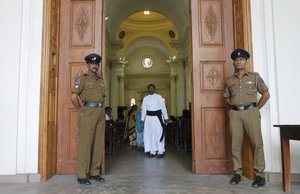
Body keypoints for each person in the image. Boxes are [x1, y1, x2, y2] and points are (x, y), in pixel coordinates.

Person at [224, 48, 270, 187]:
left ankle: (260, 175)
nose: (239, 62)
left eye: (241, 60)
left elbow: (266, 94)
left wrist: (256, 109)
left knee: (257, 143)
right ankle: (237, 173)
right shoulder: (229, 80)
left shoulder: (255, 77)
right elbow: (226, 97)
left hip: (251, 112)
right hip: (235, 114)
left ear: (245, 61)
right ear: (233, 63)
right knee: (235, 144)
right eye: (236, 60)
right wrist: (233, 106)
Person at [71, 53, 106, 185]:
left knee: (98, 144)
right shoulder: (82, 79)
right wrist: (81, 111)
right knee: (85, 144)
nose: (94, 66)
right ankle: (81, 174)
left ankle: (95, 172)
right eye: (92, 64)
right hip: (87, 113)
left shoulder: (101, 81)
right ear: (87, 65)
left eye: (96, 64)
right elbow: (74, 97)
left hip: (100, 112)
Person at [141, 84, 169, 158]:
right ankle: (152, 151)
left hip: (158, 118)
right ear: (148, 89)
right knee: (150, 134)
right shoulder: (145, 98)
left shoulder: (159, 97)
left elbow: (163, 107)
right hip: (149, 118)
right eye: (150, 88)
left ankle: (160, 151)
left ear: (154, 89)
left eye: (152, 88)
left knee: (159, 134)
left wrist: (166, 117)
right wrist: (142, 119)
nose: (151, 89)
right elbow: (144, 109)